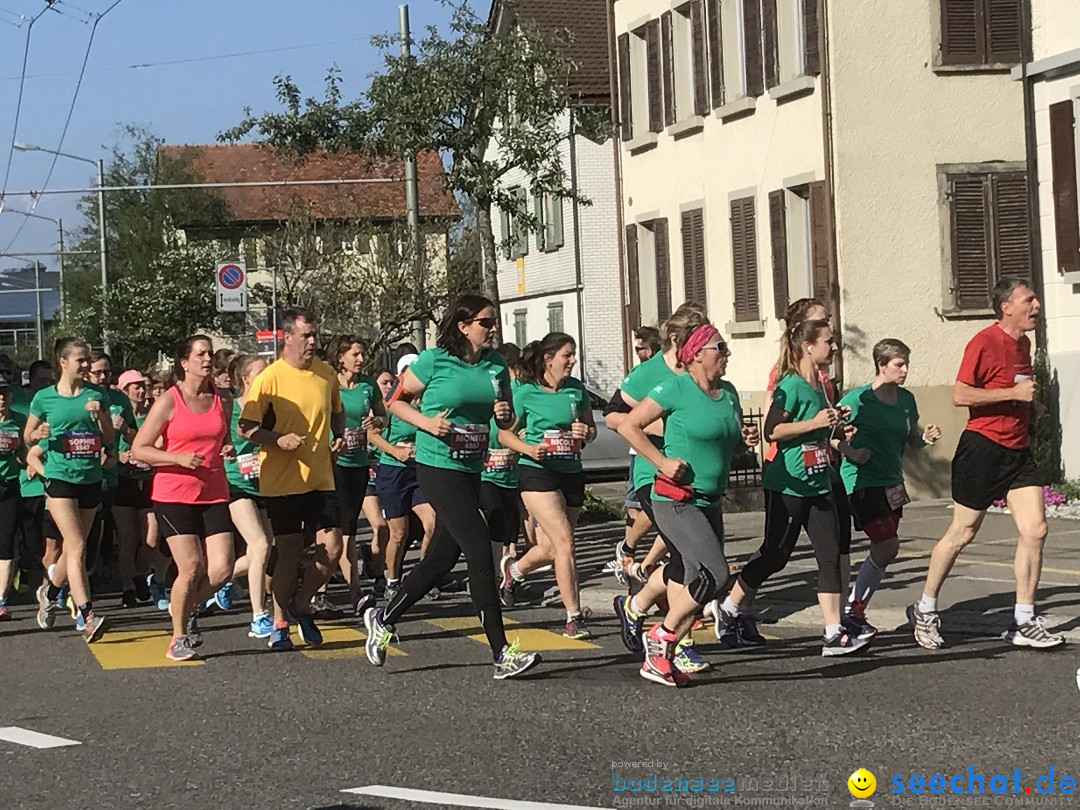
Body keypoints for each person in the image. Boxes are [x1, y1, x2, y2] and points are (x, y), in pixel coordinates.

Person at [363, 294, 541, 680]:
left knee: (441, 559)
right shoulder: (434, 360)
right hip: (437, 465)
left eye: (494, 323)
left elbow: (505, 417)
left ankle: (384, 618)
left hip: (471, 464)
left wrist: (504, 414)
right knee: (478, 546)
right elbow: (394, 401)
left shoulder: (494, 364)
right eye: (485, 323)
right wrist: (427, 424)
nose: (492, 329)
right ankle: (501, 652)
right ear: (463, 326)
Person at [909, 278, 1063, 649]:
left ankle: (1023, 620)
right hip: (983, 448)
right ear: (1007, 307)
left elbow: (1016, 388)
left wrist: (1029, 406)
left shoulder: (1024, 344)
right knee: (963, 532)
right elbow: (961, 394)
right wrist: (1012, 393)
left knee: (1036, 530)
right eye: (1030, 299)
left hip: (1017, 449)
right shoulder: (983, 341)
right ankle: (926, 608)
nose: (1037, 305)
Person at [714, 320, 868, 656]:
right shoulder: (792, 385)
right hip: (787, 483)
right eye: (829, 341)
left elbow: (817, 432)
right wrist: (815, 423)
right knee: (776, 554)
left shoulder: (819, 386)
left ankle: (832, 633)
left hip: (818, 481)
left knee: (830, 556)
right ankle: (728, 607)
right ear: (808, 347)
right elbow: (773, 430)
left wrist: (838, 429)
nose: (835, 346)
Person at [618, 323, 757, 685]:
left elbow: (726, 441)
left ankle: (660, 652)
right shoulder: (675, 388)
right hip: (676, 499)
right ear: (696, 355)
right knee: (717, 573)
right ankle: (660, 638)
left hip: (710, 500)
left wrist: (745, 440)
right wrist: (660, 462)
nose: (726, 354)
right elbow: (628, 425)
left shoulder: (727, 393)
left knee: (698, 577)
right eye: (720, 348)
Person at [606, 304, 712, 670]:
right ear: (679, 340)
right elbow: (614, 415)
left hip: (693, 479)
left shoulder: (702, 376)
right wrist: (656, 427)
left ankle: (635, 606)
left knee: (687, 561)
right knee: (693, 561)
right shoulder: (649, 372)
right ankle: (677, 642)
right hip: (655, 476)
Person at [238, 307, 345, 651]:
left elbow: (337, 413)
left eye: (315, 335)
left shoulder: (326, 373)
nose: (313, 341)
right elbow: (247, 427)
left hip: (320, 477)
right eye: (306, 335)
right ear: (288, 338)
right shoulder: (269, 378)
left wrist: (338, 437)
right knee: (290, 553)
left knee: (332, 548)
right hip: (282, 481)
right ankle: (280, 619)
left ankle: (302, 602)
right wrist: (277, 439)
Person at [133, 336, 234, 661]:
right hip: (174, 493)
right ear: (184, 361)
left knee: (221, 570)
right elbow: (140, 448)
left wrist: (227, 448)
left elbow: (223, 437)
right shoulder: (170, 400)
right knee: (191, 567)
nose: (207, 359)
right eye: (200, 354)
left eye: (209, 354)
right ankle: (178, 636)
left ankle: (186, 607)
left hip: (214, 491)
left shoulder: (222, 397)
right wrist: (177, 458)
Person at [838, 339, 941, 639]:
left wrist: (927, 438)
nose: (905, 370)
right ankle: (851, 608)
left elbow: (911, 438)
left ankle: (854, 608)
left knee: (883, 550)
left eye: (906, 363)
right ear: (881, 365)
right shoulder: (858, 400)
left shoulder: (907, 400)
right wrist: (851, 452)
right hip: (861, 481)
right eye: (898, 364)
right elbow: (830, 435)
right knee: (887, 545)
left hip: (891, 483)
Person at [497, 332, 597, 638]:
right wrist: (528, 449)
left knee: (552, 547)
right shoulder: (525, 391)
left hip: (571, 471)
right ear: (548, 359)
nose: (573, 361)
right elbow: (504, 434)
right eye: (567, 355)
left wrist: (586, 433)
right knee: (565, 542)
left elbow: (590, 430)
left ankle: (513, 572)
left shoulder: (576, 389)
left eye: (573, 354)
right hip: (536, 471)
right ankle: (574, 617)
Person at [26, 337, 114, 643]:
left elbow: (109, 438)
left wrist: (100, 416)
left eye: (88, 360)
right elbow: (27, 437)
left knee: (76, 546)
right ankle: (88, 615)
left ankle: (49, 591)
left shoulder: (96, 394)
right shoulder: (45, 398)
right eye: (81, 360)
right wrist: (38, 432)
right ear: (63, 362)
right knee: (76, 545)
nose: (87, 365)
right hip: (59, 478)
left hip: (89, 477)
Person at [369, 353, 438, 603]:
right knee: (398, 532)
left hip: (420, 469)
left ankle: (424, 576)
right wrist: (395, 451)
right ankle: (392, 579)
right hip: (393, 471)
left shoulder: (428, 401)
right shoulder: (393, 401)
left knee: (432, 523)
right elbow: (373, 435)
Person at [328, 335, 387, 614]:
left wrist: (376, 421)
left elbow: (383, 417)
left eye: (362, 354)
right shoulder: (329, 384)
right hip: (333, 464)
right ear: (341, 357)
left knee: (349, 528)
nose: (361, 359)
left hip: (359, 462)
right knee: (336, 529)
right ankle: (337, 590)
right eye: (355, 354)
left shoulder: (368, 385)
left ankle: (351, 590)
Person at [220, 354, 274, 639]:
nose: (267, 376)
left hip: (264, 484)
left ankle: (213, 583)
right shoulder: (230, 408)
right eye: (261, 372)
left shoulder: (270, 408)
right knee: (261, 545)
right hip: (236, 484)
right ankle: (258, 616)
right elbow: (217, 439)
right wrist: (226, 449)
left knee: (257, 552)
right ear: (245, 379)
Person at [608, 325, 663, 584]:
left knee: (675, 526)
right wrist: (650, 426)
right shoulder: (643, 373)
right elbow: (613, 413)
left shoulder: (693, 374)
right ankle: (629, 550)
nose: (636, 352)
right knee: (644, 510)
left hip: (685, 461)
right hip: (645, 455)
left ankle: (642, 566)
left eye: (639, 347)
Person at [113, 369, 159, 607]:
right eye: (135, 387)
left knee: (151, 536)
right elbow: (105, 446)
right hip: (124, 481)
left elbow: (156, 443)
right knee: (128, 538)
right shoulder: (116, 417)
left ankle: (140, 573)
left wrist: (129, 434)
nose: (141, 390)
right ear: (124, 391)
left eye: (143, 386)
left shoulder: (153, 415)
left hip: (149, 480)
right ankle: (128, 587)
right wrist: (117, 455)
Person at [481, 343, 522, 574]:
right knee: (494, 514)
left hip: (510, 470)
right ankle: (493, 572)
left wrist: (523, 434)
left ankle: (508, 567)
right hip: (485, 471)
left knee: (511, 520)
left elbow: (521, 417)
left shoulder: (519, 390)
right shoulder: (481, 388)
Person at [0, 371, 26, 620]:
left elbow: (28, 453)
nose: (1, 398)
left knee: (6, 542)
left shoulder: (19, 421)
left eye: (5, 393)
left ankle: (1, 600)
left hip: (9, 487)